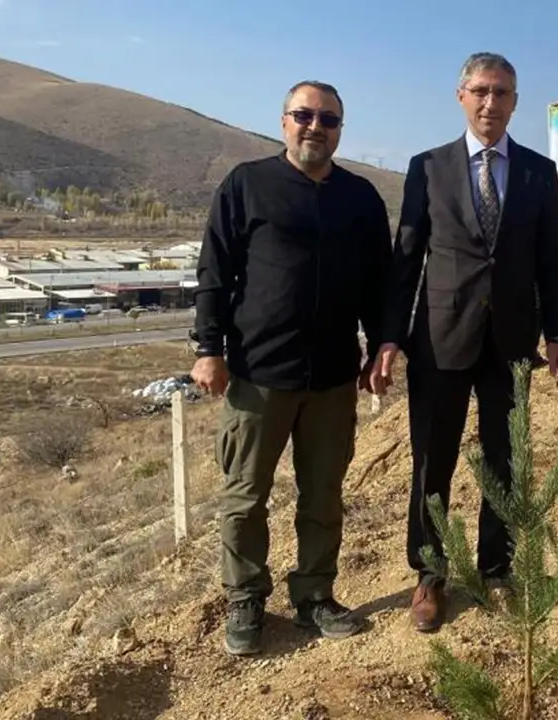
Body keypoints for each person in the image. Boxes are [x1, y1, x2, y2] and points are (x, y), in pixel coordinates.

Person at [191, 80, 394, 656]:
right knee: (244, 495)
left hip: (332, 377)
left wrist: (382, 344)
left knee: (323, 494)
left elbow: (379, 284)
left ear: (339, 131)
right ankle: (246, 599)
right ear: (284, 122)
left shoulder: (360, 197)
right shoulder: (247, 185)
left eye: (328, 120)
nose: (316, 127)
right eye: (304, 115)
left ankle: (313, 595)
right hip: (256, 375)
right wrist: (209, 348)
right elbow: (215, 273)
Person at [384, 52, 558, 634]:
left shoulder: (539, 172)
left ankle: (497, 568)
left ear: (516, 102)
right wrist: (389, 337)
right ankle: (430, 574)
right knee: (431, 458)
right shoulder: (428, 168)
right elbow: (408, 257)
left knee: (505, 457)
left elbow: (548, 260)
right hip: (440, 339)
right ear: (462, 95)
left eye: (504, 93)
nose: (493, 103)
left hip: (511, 339)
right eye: (482, 91)